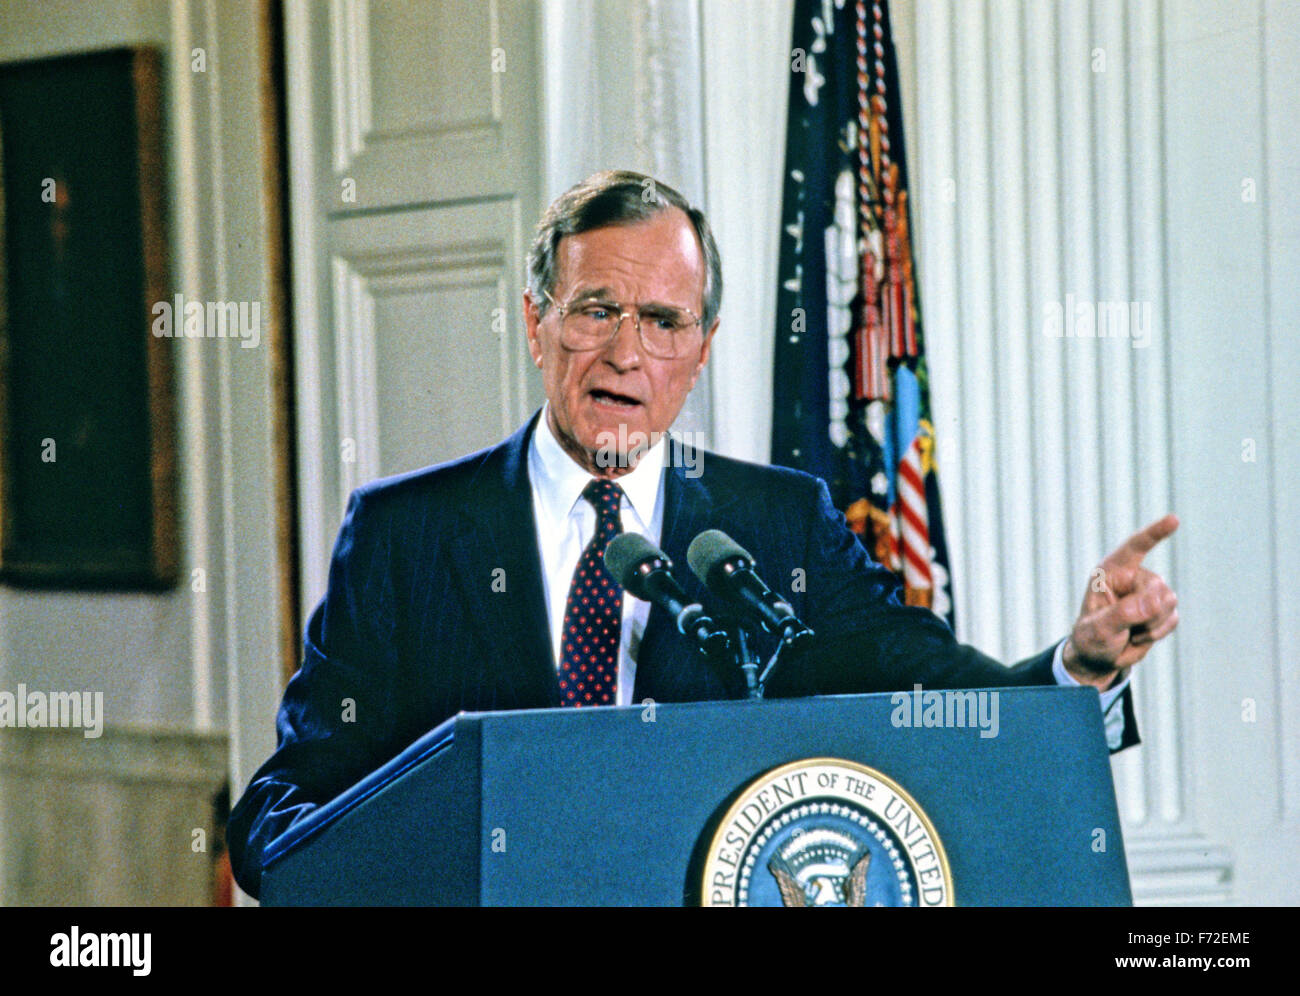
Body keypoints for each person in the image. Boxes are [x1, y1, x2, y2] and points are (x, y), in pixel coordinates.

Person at [227, 170, 1179, 899]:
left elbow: (931, 689)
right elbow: (284, 810)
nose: (627, 353)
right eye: (595, 310)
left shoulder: (777, 527)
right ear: (535, 323)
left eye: (663, 321)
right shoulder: (408, 533)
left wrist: (1077, 670)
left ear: (703, 350)